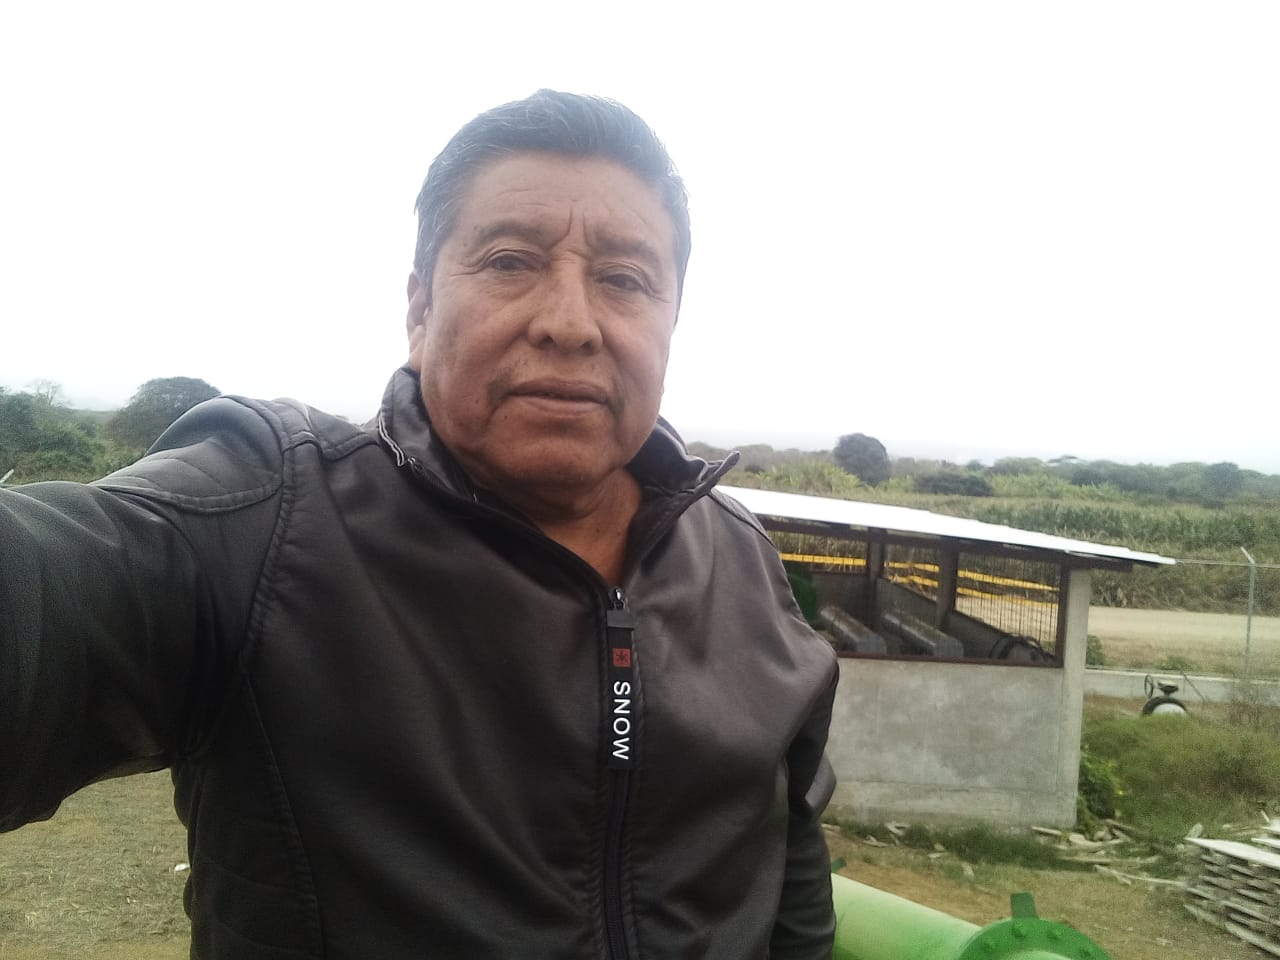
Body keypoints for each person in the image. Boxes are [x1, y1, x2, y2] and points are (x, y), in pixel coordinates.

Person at [0, 90, 838, 959]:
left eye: (624, 279)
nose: (569, 323)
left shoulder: (742, 561)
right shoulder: (271, 518)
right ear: (420, 310)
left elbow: (790, 864)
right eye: (510, 261)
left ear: (670, 321)